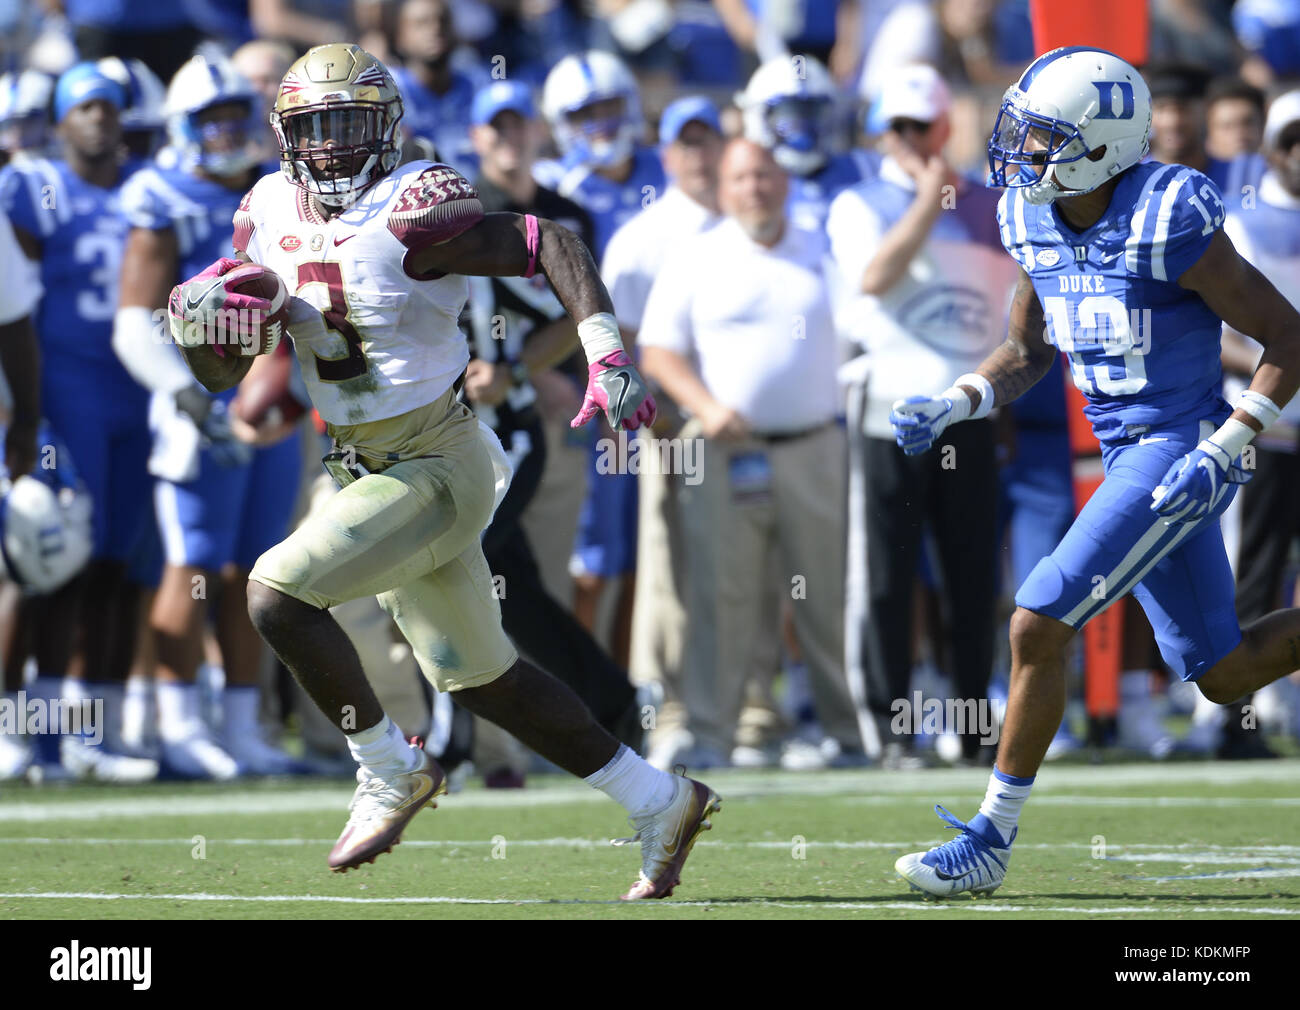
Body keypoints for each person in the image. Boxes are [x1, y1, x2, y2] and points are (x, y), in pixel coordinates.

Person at [165, 44, 718, 899]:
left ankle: (388, 767)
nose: (335, 147)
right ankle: (660, 799)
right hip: (361, 468)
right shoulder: (264, 208)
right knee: (484, 677)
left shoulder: (415, 204)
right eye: (316, 129)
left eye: (350, 124)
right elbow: (224, 372)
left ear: (386, 124)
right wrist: (211, 331)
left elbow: (551, 242)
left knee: (277, 592)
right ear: (287, 135)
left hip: (437, 457)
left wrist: (606, 353)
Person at [891, 46, 1300, 898]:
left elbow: (1288, 338)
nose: (1021, 151)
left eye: (1042, 138)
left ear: (1102, 144)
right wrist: (959, 400)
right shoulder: (1029, 214)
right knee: (1223, 675)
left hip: (1177, 448)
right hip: (1126, 453)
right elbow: (1026, 349)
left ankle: (989, 839)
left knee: (1038, 618)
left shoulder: (1166, 214)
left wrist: (1226, 445)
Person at [639, 137, 864, 768]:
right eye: (740, 178)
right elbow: (658, 352)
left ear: (784, 182)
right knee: (721, 594)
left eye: (764, 176)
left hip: (814, 447)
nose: (754, 189)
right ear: (724, 187)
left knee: (825, 596)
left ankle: (849, 734)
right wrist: (706, 406)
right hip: (723, 452)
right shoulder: (698, 256)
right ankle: (711, 732)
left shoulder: (825, 250)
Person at [113, 53, 304, 778]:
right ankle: (179, 724)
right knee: (191, 563)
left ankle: (241, 724)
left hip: (270, 404)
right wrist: (188, 395)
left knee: (257, 569)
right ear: (181, 126)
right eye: (210, 119)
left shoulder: (275, 194)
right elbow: (135, 324)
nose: (226, 131)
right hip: (195, 406)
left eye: (234, 115)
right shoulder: (163, 195)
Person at [828, 63, 1014, 767]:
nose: (906, 139)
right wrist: (926, 202)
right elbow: (875, 278)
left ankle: (971, 729)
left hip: (965, 413)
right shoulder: (860, 202)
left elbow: (1005, 315)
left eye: (919, 126)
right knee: (886, 577)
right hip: (888, 411)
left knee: (972, 579)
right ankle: (890, 730)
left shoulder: (990, 206)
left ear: (943, 127)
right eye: (896, 127)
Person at [461, 78, 643, 755]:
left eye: (518, 125)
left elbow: (578, 317)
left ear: (537, 131)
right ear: (478, 137)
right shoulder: (459, 208)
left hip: (524, 423)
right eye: (496, 127)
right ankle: (605, 707)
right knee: (511, 585)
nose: (509, 138)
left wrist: (515, 371)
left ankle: (469, 738)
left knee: (468, 564)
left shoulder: (564, 215)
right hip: (462, 418)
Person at [0, 63, 158, 782]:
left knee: (116, 570)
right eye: (84, 106)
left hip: (136, 393)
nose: (99, 117)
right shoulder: (33, 185)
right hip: (64, 391)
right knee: (51, 565)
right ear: (59, 119)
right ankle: (28, 732)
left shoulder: (147, 186)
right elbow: (15, 303)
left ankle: (92, 736)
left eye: (109, 107)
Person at [602, 96, 725, 769]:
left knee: (738, 574)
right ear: (668, 153)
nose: (699, 156)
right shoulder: (645, 236)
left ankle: (735, 710)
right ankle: (666, 709)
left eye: (710, 141)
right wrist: (651, 413)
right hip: (673, 427)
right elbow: (616, 340)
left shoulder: (747, 222)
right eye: (687, 144)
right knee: (666, 571)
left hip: (743, 429)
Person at [536, 49, 666, 669]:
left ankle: (631, 681)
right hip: (592, 384)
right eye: (585, 113)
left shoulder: (666, 173)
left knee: (650, 547)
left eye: (611, 107)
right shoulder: (554, 191)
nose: (602, 123)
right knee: (595, 551)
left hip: (666, 380)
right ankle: (586, 683)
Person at [1217, 90, 1300, 756]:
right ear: (1271, 150)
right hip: (1264, 424)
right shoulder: (1241, 221)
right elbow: (1221, 331)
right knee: (1256, 572)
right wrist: (1285, 367)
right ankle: (1233, 716)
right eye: (1292, 140)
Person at [737, 54, 877, 245]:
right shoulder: (745, 181)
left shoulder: (865, 167)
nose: (801, 131)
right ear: (757, 117)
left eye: (812, 113)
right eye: (787, 119)